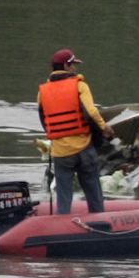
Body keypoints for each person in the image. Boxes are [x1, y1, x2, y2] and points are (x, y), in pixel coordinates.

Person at [36, 48, 115, 214]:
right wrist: (104, 128)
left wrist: (57, 136)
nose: (75, 68)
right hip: (84, 148)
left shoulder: (42, 92)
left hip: (61, 152)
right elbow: (91, 111)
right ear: (66, 66)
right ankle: (99, 222)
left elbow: (44, 119)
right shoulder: (80, 85)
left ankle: (62, 228)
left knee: (63, 196)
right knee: (93, 190)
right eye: (72, 65)